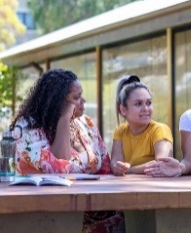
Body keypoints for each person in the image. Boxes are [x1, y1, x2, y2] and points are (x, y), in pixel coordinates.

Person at [10, 69, 123, 233]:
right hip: (51, 214)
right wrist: (63, 119)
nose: (83, 101)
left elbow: (104, 164)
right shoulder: (27, 128)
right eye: (76, 98)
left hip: (95, 206)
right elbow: (58, 168)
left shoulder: (86, 123)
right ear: (58, 102)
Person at [110, 75, 173, 176]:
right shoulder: (120, 131)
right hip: (127, 187)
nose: (146, 108)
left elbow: (162, 164)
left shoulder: (160, 129)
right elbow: (115, 162)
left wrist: (129, 170)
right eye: (138, 104)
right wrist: (116, 167)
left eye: (148, 103)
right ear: (123, 110)